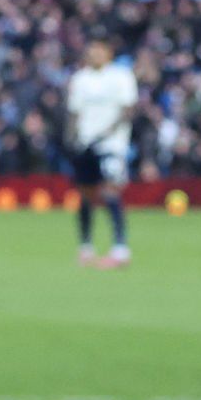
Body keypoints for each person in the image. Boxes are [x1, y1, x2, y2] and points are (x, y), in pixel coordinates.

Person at [66, 38, 139, 268]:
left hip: (111, 145)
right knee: (86, 194)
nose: (94, 53)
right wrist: (72, 138)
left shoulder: (120, 76)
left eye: (98, 49)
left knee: (110, 192)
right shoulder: (80, 79)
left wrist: (107, 133)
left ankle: (120, 249)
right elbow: (74, 112)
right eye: (91, 49)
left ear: (108, 51)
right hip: (85, 144)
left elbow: (128, 109)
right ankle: (86, 247)